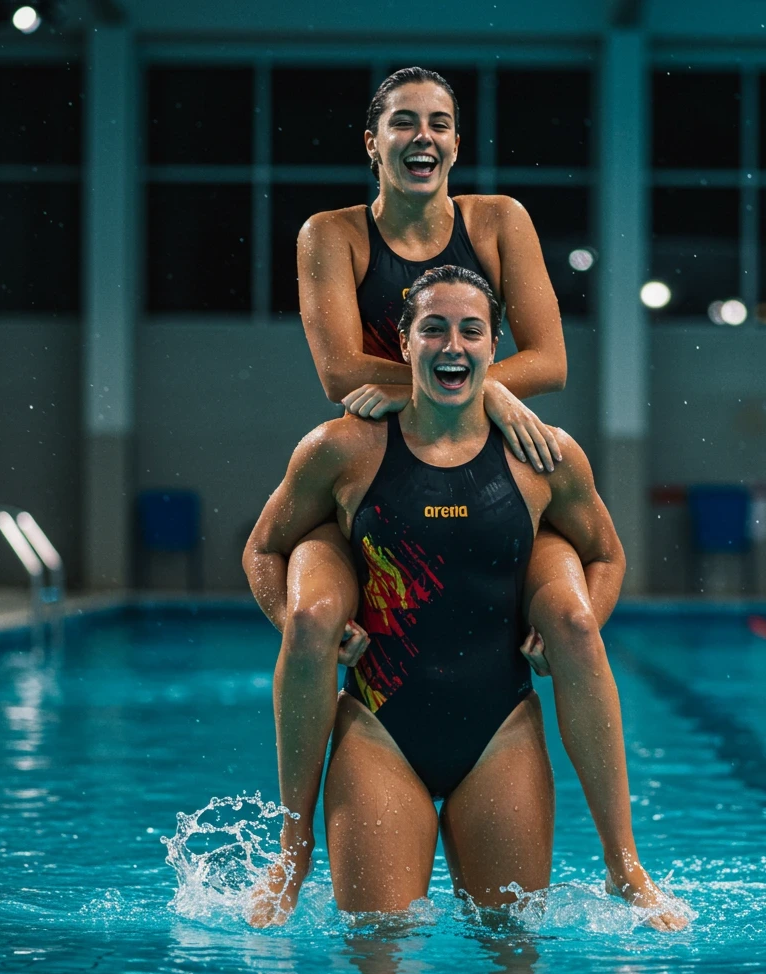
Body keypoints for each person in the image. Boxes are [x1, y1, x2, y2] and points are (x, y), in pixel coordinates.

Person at [250, 66, 655, 927]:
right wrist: (466, 389)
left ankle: (627, 865)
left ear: (459, 143)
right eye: (403, 122)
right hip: (371, 483)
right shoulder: (333, 235)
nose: (422, 137)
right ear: (373, 142)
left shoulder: (499, 222)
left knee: (575, 621)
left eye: (438, 123)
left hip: (495, 473)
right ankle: (291, 848)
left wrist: (480, 396)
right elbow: (339, 374)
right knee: (312, 618)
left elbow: (550, 360)